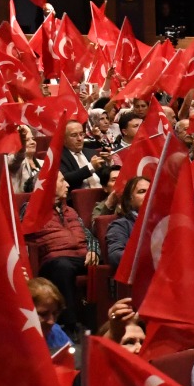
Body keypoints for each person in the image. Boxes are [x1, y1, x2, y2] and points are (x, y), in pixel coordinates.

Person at [22, 175, 98, 326]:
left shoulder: (70, 210)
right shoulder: (31, 210)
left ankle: (98, 323)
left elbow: (89, 234)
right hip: (55, 260)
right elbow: (19, 232)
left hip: (81, 257)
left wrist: (94, 250)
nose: (68, 185)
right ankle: (70, 325)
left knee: (105, 265)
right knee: (62, 267)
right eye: (62, 181)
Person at [104, 174, 150, 270]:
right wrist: (148, 256)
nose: (148, 194)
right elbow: (115, 256)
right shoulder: (120, 225)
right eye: (142, 191)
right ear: (130, 199)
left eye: (150, 191)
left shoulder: (166, 221)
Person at [58, 119, 106, 190]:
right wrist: (90, 167)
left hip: (101, 194)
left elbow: (105, 176)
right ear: (64, 139)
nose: (80, 138)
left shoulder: (92, 152)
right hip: (77, 198)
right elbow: (66, 178)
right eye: (74, 135)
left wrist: (108, 162)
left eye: (81, 134)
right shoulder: (59, 157)